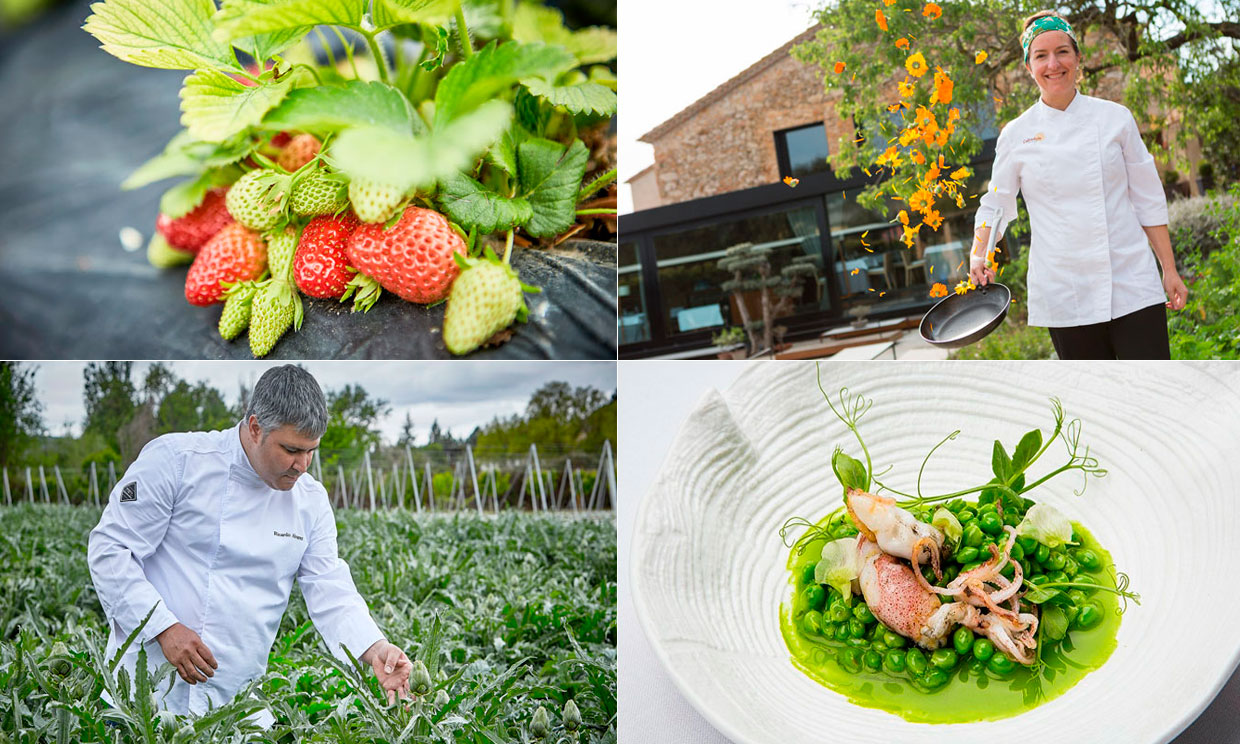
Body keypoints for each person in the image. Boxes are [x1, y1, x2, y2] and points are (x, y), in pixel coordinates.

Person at [87, 365, 412, 729]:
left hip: (238, 713)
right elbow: (110, 549)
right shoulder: (177, 462)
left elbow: (331, 590)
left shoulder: (311, 501)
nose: (302, 465)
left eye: (311, 452)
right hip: (142, 701)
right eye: (291, 449)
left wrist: (376, 650)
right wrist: (163, 628)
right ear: (255, 427)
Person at [968, 10, 1189, 360]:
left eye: (1062, 52)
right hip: (1065, 291)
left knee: (1150, 394)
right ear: (1029, 67)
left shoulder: (1116, 118)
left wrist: (1170, 268)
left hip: (1131, 281)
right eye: (1041, 55)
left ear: (1078, 59)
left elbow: (1148, 198)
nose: (1053, 64)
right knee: (1093, 404)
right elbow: (997, 205)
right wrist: (979, 253)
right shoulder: (1016, 134)